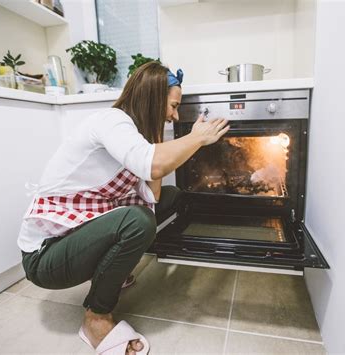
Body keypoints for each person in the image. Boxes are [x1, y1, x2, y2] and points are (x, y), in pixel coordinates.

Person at [17, 62, 229, 355]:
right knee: (138, 221)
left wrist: (157, 135)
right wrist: (196, 137)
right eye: (173, 106)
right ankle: (96, 318)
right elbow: (152, 164)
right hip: (45, 256)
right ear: (154, 98)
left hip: (78, 232)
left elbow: (154, 195)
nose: (175, 115)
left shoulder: (138, 135)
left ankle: (110, 271)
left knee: (170, 197)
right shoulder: (111, 121)